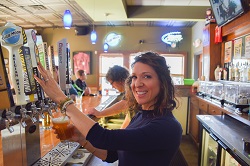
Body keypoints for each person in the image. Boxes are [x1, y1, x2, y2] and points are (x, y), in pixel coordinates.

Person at [34, 51, 182, 166]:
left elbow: (104, 138)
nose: (137, 84)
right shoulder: (141, 115)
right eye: (135, 77)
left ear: (163, 83)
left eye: (147, 76)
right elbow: (112, 154)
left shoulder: (167, 126)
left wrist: (62, 100)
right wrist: (81, 138)